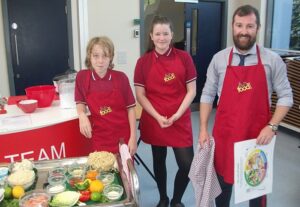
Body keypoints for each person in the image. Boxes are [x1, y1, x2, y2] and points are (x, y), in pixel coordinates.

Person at [199, 5, 293, 207]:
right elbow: (207, 94)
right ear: (232, 26)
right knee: (222, 186)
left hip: (257, 138)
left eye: (249, 26)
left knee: (255, 190)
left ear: (257, 28)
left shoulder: (272, 60)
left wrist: (272, 126)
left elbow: (286, 96)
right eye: (239, 25)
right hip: (225, 135)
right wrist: (203, 129)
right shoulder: (219, 59)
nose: (244, 31)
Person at [134, 15, 197, 207]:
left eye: (166, 34)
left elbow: (192, 90)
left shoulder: (184, 58)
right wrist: (157, 116)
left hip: (180, 118)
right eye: (158, 34)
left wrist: (177, 114)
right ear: (151, 36)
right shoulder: (143, 62)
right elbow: (140, 95)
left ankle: (177, 200)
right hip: (155, 119)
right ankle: (163, 197)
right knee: (158, 161)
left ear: (172, 35)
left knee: (187, 165)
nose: (162, 38)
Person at [75, 36, 137, 156]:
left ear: (111, 57)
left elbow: (130, 109)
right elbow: (80, 101)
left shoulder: (121, 78)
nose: (100, 61)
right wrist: (81, 115)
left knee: (125, 173)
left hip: (123, 137)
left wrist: (133, 138)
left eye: (105, 56)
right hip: (100, 137)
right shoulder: (82, 77)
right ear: (89, 56)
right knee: (104, 172)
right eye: (96, 56)